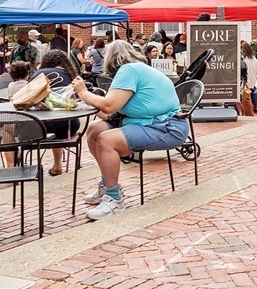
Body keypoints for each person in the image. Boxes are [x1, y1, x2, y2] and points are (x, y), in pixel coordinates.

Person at [70, 40, 188, 220]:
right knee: (94, 129)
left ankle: (114, 200)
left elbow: (109, 106)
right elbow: (113, 113)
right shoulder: (137, 68)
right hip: (149, 122)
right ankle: (108, 184)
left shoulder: (128, 71)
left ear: (110, 59)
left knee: (106, 140)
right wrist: (88, 102)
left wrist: (83, 93)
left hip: (166, 127)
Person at [34, 50, 81, 174]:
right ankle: (57, 165)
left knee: (13, 127)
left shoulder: (39, 74)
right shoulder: (73, 76)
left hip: (41, 128)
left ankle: (14, 165)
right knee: (59, 120)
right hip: (70, 125)